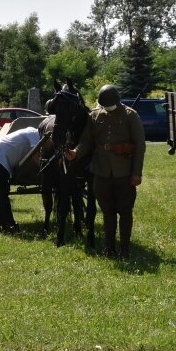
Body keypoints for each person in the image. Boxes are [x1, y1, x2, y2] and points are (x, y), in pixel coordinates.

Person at [65, 84, 146, 258]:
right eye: (105, 106)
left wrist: (137, 173)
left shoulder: (131, 115)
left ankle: (124, 249)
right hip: (101, 171)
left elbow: (140, 146)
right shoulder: (94, 115)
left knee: (125, 211)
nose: (108, 108)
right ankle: (108, 248)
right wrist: (75, 153)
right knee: (107, 211)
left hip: (124, 172)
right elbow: (86, 140)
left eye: (111, 105)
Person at [0, 126, 41, 232]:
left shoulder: (31, 132)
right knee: (0, 193)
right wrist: (43, 170)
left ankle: (4, 223)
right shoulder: (34, 133)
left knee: (2, 192)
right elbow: (36, 154)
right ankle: (7, 225)